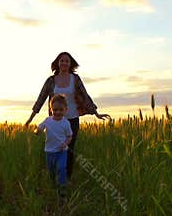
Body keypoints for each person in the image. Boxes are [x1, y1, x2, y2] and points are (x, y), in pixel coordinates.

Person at [25, 51, 110, 182]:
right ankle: (54, 174)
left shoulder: (75, 79)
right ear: (57, 63)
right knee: (54, 147)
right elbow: (41, 99)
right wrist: (30, 118)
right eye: (62, 60)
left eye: (67, 61)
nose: (64, 63)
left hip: (72, 119)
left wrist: (96, 113)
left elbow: (85, 95)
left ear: (70, 64)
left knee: (69, 148)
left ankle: (66, 178)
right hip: (55, 121)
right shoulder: (51, 81)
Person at [35, 94, 73, 200]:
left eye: (61, 110)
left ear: (66, 110)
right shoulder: (48, 120)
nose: (57, 112)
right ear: (51, 109)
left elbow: (70, 136)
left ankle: (62, 189)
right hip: (49, 152)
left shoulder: (66, 123)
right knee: (51, 170)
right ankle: (53, 185)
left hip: (62, 152)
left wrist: (65, 143)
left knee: (61, 168)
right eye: (55, 109)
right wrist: (37, 131)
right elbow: (39, 128)